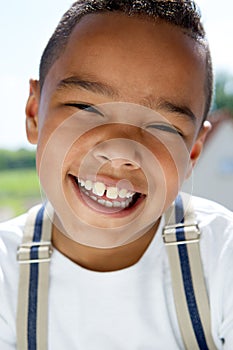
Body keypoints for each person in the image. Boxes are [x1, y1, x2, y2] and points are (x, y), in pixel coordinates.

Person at [0, 0, 233, 349]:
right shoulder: (6, 273)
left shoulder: (220, 256)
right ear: (34, 113)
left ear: (193, 154)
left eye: (163, 127)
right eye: (85, 108)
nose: (121, 151)